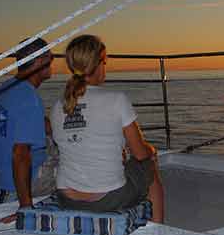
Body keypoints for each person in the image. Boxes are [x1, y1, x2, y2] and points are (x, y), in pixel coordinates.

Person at [50, 34, 164, 223]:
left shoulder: (57, 106)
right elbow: (140, 153)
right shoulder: (117, 99)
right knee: (149, 164)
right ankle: (157, 233)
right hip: (107, 199)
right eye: (105, 61)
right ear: (98, 64)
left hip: (66, 199)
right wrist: (151, 150)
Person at [0, 37, 57, 224]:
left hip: (1, 176)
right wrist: (26, 206)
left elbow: (36, 124)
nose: (53, 63)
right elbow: (20, 154)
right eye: (50, 58)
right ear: (40, 61)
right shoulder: (28, 98)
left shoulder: (6, 88)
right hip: (23, 184)